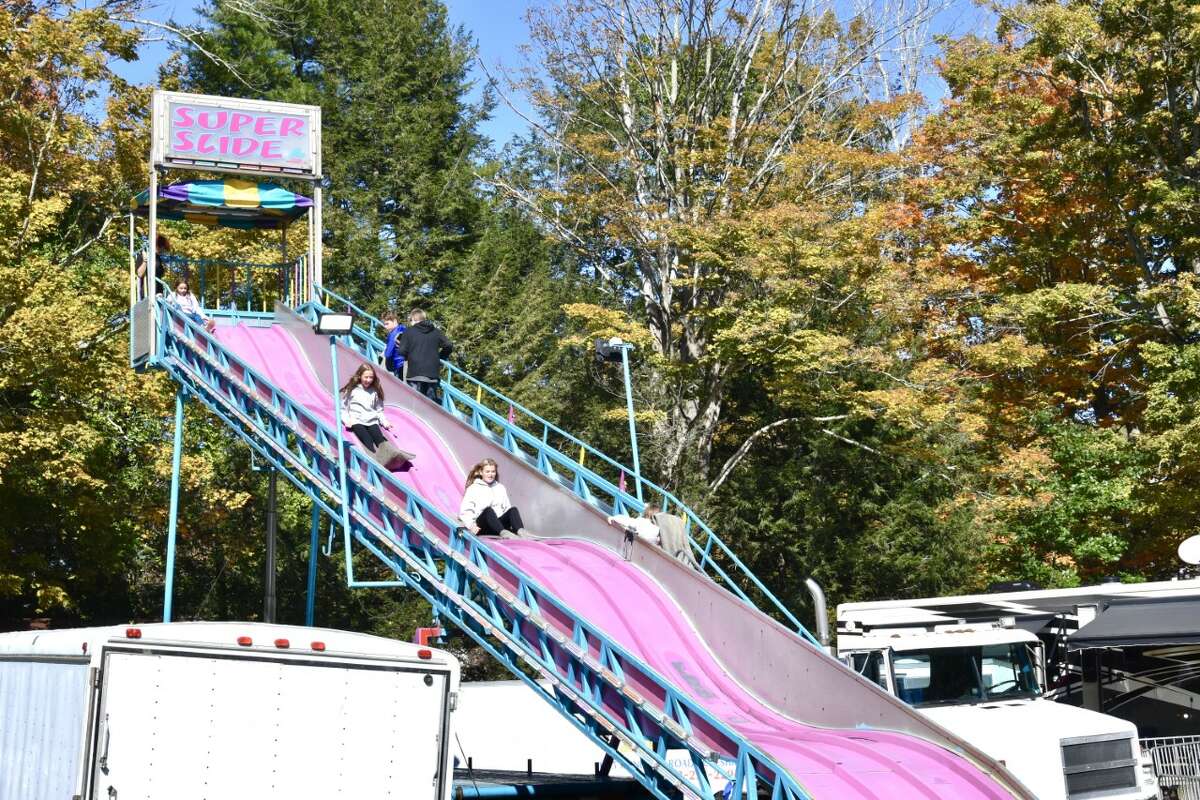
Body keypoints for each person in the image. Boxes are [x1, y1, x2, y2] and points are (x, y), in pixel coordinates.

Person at [459, 458, 526, 538]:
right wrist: (471, 525)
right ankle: (503, 533)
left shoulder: (500, 488)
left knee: (513, 510)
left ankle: (522, 533)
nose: (490, 474)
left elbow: (507, 508)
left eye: (493, 471)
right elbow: (466, 511)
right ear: (481, 472)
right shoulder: (473, 488)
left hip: (499, 525)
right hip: (483, 527)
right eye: (487, 472)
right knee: (488, 511)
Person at [396, 308, 452, 402]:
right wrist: (441, 356)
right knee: (429, 404)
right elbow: (449, 345)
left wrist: (408, 350)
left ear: (413, 319)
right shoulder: (436, 332)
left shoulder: (409, 331)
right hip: (432, 374)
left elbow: (402, 351)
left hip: (414, 372)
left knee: (413, 403)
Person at [135, 233, 172, 299]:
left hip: (158, 292)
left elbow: (160, 273)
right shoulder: (143, 255)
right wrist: (145, 261)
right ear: (157, 246)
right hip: (147, 291)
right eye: (162, 248)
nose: (162, 251)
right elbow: (140, 274)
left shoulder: (158, 258)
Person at [381, 311, 406, 379]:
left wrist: (385, 353)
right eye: (384, 324)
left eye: (387, 324)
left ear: (394, 321)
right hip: (404, 364)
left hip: (397, 364)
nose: (385, 327)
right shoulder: (404, 329)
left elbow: (388, 354)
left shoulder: (394, 333)